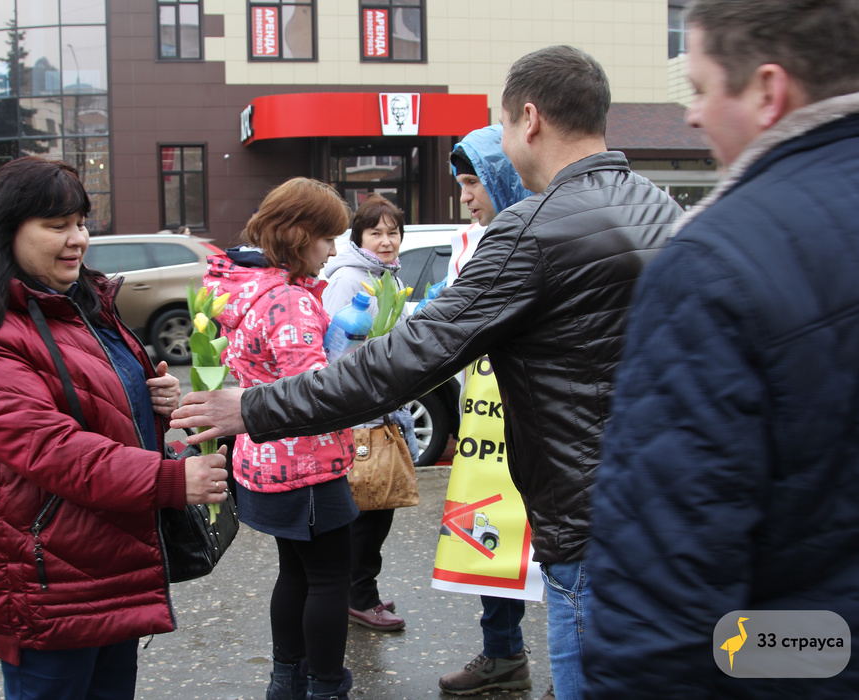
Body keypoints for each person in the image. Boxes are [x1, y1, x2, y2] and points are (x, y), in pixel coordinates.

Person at [173, 46, 682, 700]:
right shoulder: (660, 209)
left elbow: (403, 362)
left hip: (588, 519)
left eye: (502, 125)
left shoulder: (533, 229)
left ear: (529, 120)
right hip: (665, 506)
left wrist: (251, 408)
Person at [583, 1, 859, 697]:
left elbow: (663, 620)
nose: (691, 115)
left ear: (768, 91)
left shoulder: (717, 264)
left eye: (701, 87)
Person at [0, 156, 229, 700]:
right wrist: (169, 480)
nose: (78, 239)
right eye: (56, 225)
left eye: (81, 222)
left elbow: (93, 403)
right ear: (7, 231)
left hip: (113, 555)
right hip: (44, 571)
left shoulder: (78, 301)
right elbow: (49, 447)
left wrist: (150, 399)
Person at [204, 177, 357, 700]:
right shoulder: (289, 301)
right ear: (299, 236)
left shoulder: (253, 290)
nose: (332, 251)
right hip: (306, 462)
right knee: (330, 578)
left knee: (295, 574)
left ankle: (286, 680)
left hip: (265, 459)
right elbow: (310, 392)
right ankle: (325, 686)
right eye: (327, 238)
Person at [435, 125, 542, 697]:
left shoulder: (542, 236)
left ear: (503, 176)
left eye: (473, 182)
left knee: (565, 561)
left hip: (545, 430)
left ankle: (581, 669)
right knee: (489, 540)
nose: (465, 196)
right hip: (486, 427)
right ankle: (503, 654)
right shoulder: (472, 243)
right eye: (460, 184)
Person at [321, 194, 414, 633]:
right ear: (358, 237)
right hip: (358, 412)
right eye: (375, 233)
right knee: (369, 510)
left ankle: (359, 589)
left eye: (393, 232)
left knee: (377, 508)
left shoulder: (387, 277)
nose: (386, 241)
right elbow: (331, 349)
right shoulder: (349, 279)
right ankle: (360, 597)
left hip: (380, 406)